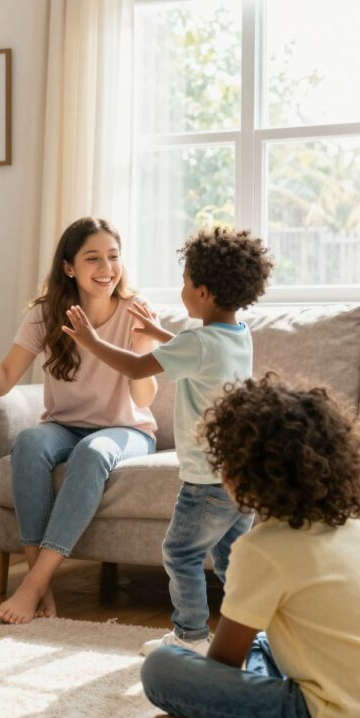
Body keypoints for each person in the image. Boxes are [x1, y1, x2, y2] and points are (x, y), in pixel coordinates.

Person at [141, 376, 360, 718]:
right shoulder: (348, 525)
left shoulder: (262, 550)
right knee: (267, 642)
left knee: (161, 667)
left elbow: (224, 664)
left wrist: (205, 705)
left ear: (243, 474)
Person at [62, 227, 272, 656]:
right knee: (233, 560)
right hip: (240, 479)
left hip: (206, 480)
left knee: (180, 553)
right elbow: (199, 354)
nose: (181, 289)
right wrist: (160, 335)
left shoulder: (197, 341)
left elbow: (138, 368)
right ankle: (249, 634)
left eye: (184, 281)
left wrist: (92, 341)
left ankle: (190, 635)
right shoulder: (238, 333)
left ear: (202, 291)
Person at [0, 218, 158, 624]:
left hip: (126, 430)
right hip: (64, 425)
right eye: (93, 258)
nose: (106, 267)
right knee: (30, 443)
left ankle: (33, 585)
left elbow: (144, 399)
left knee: (92, 451)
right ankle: (42, 582)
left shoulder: (135, 312)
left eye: (113, 256)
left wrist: (142, 350)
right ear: (69, 267)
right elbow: (1, 386)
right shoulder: (45, 315)